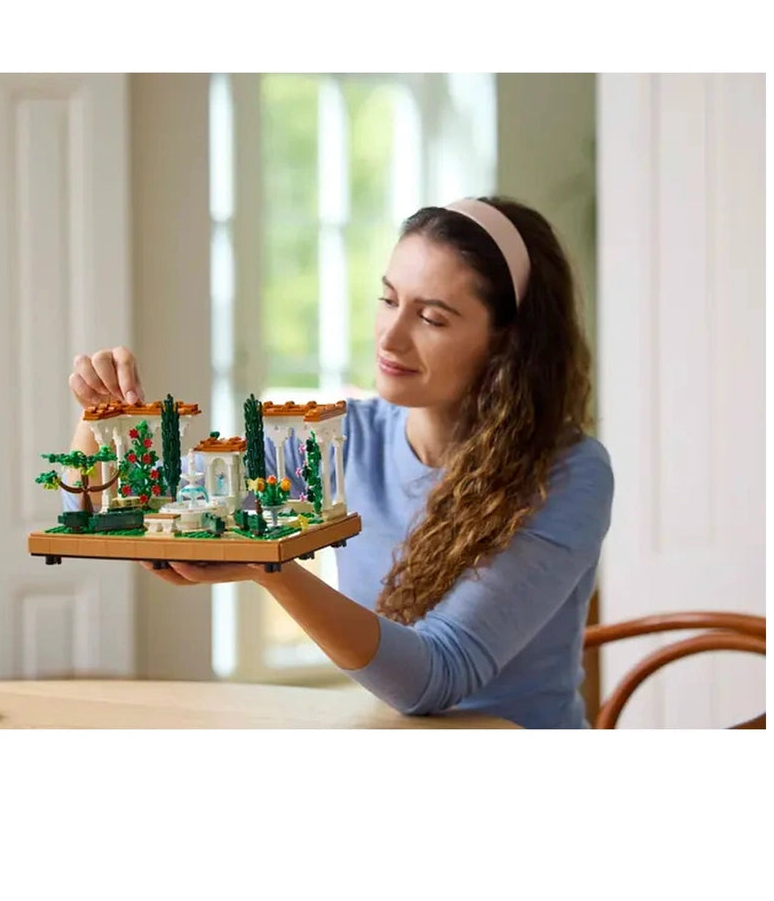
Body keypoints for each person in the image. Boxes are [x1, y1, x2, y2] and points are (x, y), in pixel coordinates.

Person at [63, 196, 613, 729]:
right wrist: (99, 421)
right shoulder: (344, 435)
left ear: (504, 343)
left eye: (432, 318)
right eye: (389, 299)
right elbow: (153, 508)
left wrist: (270, 567)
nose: (391, 337)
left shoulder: (569, 473)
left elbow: (437, 678)